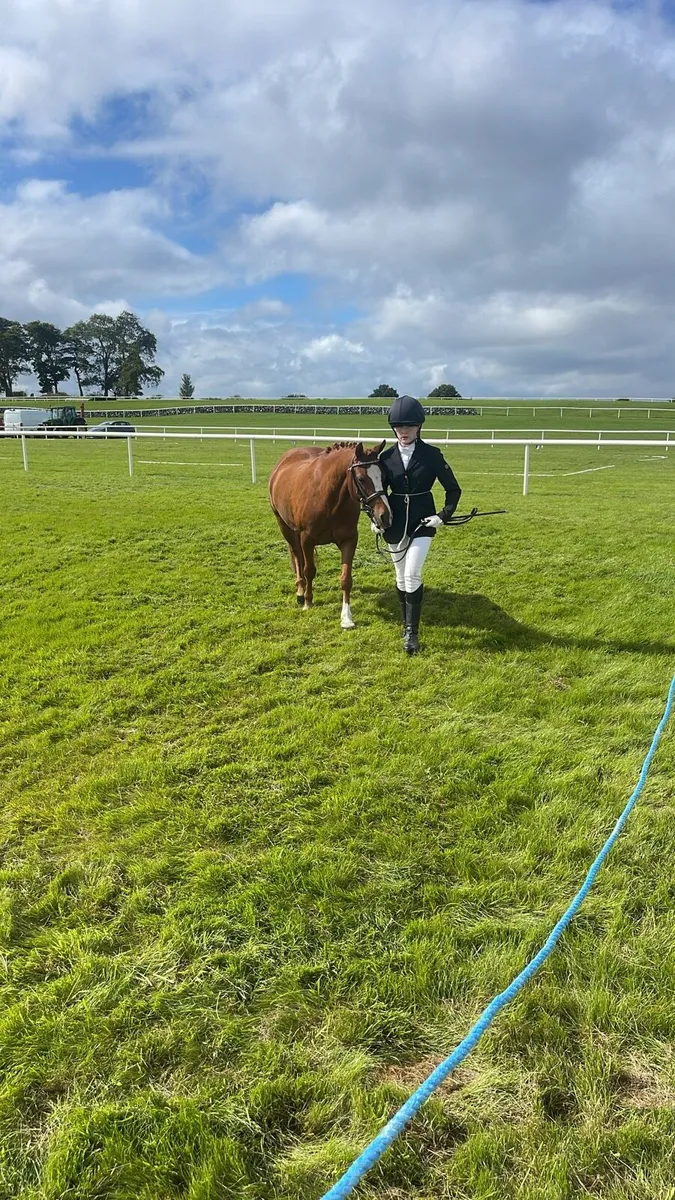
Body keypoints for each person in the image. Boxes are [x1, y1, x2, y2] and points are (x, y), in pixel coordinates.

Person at [375, 395, 461, 654]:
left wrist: (442, 516)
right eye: (399, 427)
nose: (404, 431)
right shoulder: (385, 458)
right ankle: (405, 625)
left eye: (410, 426)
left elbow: (453, 489)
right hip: (394, 524)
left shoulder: (432, 455)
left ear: (419, 426)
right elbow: (377, 494)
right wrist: (376, 520)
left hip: (423, 521)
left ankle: (412, 633)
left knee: (412, 573)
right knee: (400, 575)